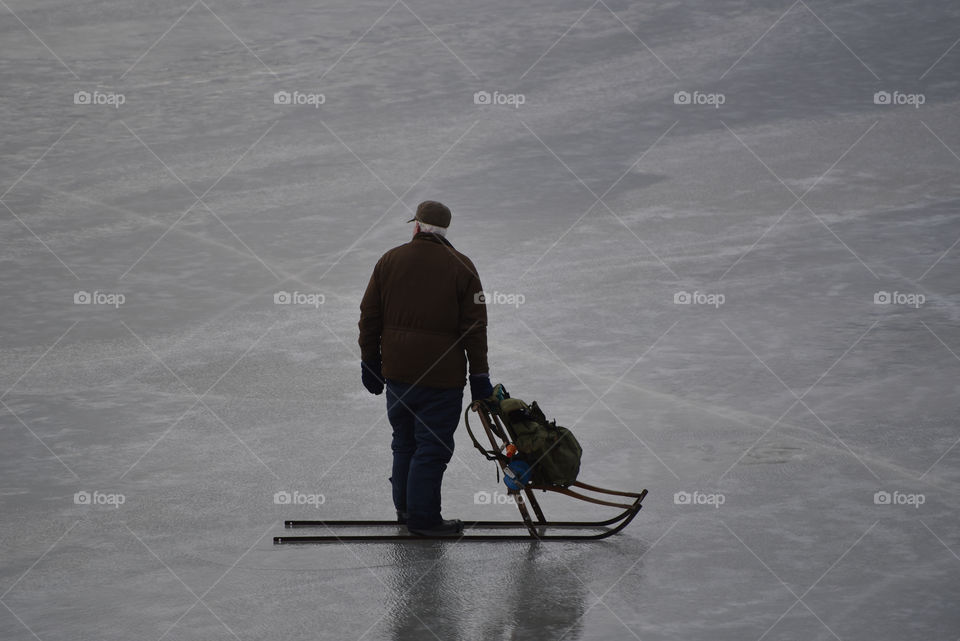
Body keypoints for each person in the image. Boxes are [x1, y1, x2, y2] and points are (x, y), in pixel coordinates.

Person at [358, 200, 493, 536]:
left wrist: (370, 362)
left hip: (398, 375)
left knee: (404, 441)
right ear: (445, 232)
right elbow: (475, 329)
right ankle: (424, 519)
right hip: (441, 379)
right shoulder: (463, 267)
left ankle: (406, 510)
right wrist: (480, 377)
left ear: (416, 226)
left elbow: (369, 316)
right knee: (432, 447)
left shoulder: (389, 261)